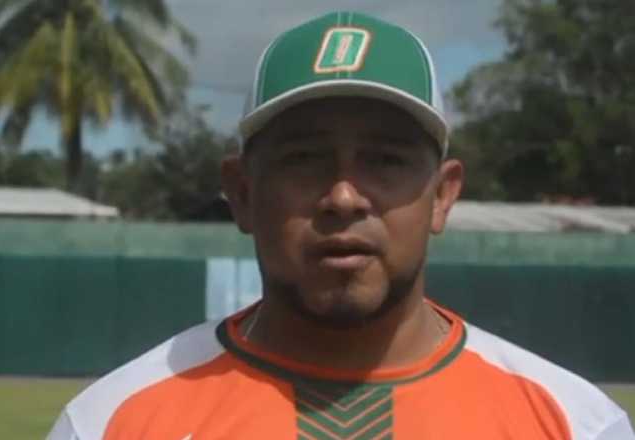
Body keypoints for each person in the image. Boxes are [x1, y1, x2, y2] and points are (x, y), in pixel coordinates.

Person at [47, 11, 634, 439]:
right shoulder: (110, 422)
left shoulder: (574, 423)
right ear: (243, 194)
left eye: (385, 160)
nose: (345, 196)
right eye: (304, 159)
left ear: (443, 196)